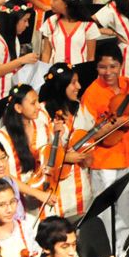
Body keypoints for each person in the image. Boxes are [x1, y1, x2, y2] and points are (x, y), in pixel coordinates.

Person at [74, 47, 129, 254]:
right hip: (103, 161)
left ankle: (120, 251)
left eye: (113, 66)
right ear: (96, 67)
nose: (108, 71)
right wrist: (119, 122)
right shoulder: (91, 94)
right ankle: (104, 252)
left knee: (125, 207)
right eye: (102, 67)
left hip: (127, 155)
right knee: (104, 210)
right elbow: (90, 133)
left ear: (121, 66)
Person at [37, 64, 94, 218]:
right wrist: (66, 157)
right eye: (73, 83)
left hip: (82, 186)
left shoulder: (79, 107)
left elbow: (89, 137)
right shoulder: (42, 113)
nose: (79, 86)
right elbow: (39, 151)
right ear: (61, 86)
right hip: (57, 188)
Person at [0, 85, 53, 209]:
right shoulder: (1, 138)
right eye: (33, 103)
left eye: (38, 101)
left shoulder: (42, 126)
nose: (39, 107)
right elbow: (5, 176)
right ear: (18, 108)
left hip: (44, 194)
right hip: (16, 202)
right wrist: (36, 193)